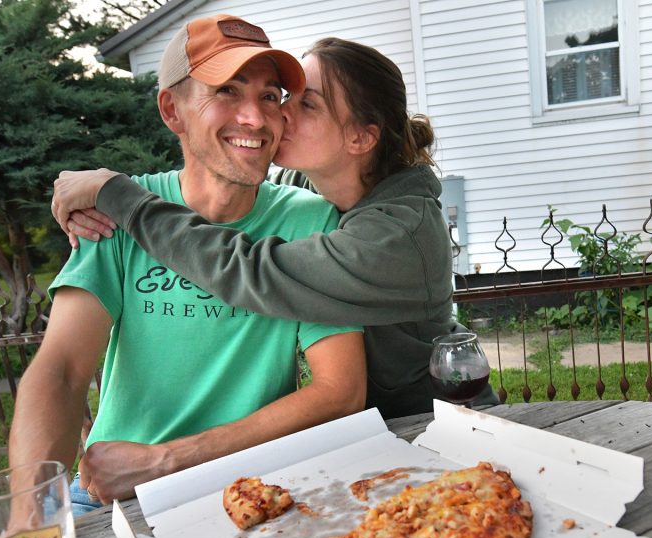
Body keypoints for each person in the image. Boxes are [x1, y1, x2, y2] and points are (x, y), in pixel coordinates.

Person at [0, 15, 367, 538]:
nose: (255, 117)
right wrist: (27, 532)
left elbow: (340, 390)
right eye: (227, 91)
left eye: (270, 96)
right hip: (105, 497)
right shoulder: (117, 214)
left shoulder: (311, 223)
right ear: (172, 109)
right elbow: (59, 371)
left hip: (246, 492)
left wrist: (172, 458)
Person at [51, 37, 497, 420]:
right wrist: (89, 192)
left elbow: (251, 270)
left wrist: (121, 198)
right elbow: (219, 177)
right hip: (379, 434)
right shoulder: (316, 187)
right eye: (286, 97)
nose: (280, 115)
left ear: (360, 139)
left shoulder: (401, 234)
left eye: (308, 104)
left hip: (441, 429)